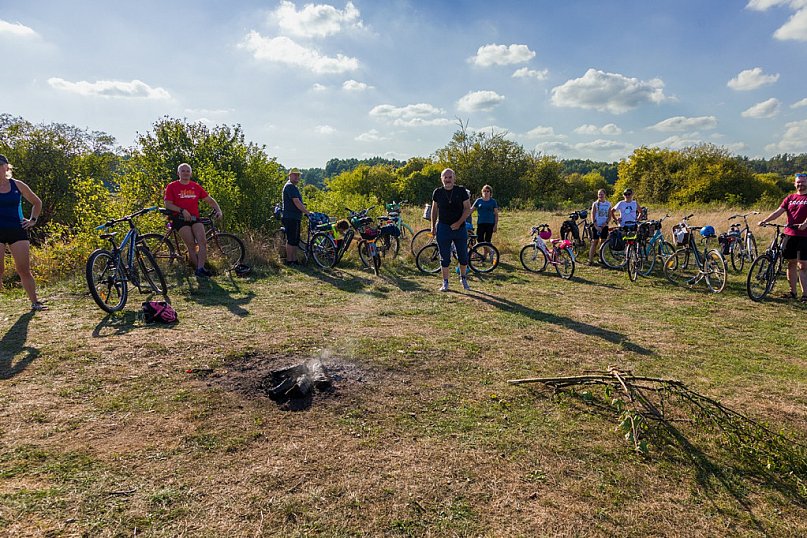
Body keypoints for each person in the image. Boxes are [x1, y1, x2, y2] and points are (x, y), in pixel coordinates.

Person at [0, 154, 47, 311]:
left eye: (1, 166)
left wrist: (33, 220)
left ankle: (35, 302)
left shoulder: (17, 185)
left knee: (23, 269)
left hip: (17, 231)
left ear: (7, 167)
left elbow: (37, 202)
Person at [163, 163, 223, 277]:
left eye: (187, 171)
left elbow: (209, 199)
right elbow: (167, 204)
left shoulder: (195, 186)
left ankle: (201, 269)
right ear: (178, 173)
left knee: (202, 242)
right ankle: (196, 268)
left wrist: (218, 210)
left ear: (190, 173)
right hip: (179, 218)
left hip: (195, 218)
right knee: (191, 244)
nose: (185, 173)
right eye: (183, 171)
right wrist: (182, 210)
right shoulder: (172, 186)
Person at [758, 172, 807, 301]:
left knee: (803, 265)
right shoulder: (790, 198)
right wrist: (765, 220)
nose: (800, 184)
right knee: (791, 263)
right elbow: (778, 212)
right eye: (798, 182)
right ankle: (792, 292)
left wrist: (805, 223)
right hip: (789, 234)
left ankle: (805, 295)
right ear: (795, 183)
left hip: (804, 236)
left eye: (803, 182)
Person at [430, 168, 472, 292]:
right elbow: (434, 210)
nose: (447, 180)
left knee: (463, 256)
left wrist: (459, 223)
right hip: (443, 227)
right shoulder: (437, 192)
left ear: (454, 178)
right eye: (445, 177)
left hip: (460, 228)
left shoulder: (461, 191)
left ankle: (463, 278)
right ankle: (445, 282)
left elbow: (467, 208)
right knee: (445, 257)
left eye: (450, 177)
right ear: (441, 179)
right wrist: (433, 226)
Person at [281, 167, 310, 265]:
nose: (297, 177)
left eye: (298, 175)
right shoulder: (290, 186)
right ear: (290, 175)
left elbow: (298, 202)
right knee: (291, 239)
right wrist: (307, 212)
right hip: (290, 216)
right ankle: (290, 261)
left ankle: (294, 260)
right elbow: (296, 202)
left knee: (295, 239)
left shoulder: (293, 187)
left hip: (295, 217)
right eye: (295, 175)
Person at [589, 188, 612, 264]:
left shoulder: (608, 204)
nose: (600, 196)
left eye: (602, 194)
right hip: (596, 225)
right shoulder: (595, 204)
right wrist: (595, 226)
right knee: (594, 242)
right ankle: (590, 260)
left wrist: (606, 223)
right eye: (599, 194)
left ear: (605, 195)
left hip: (604, 226)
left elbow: (609, 216)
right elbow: (592, 215)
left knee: (603, 242)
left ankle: (601, 259)